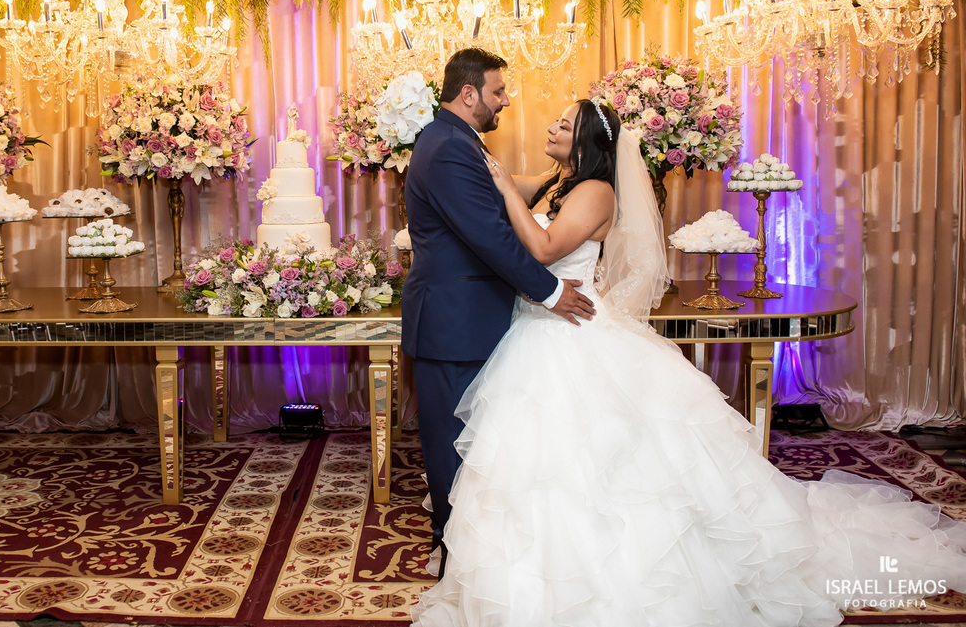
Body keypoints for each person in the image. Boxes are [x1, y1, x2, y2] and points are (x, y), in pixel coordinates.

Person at [410, 98, 966, 626]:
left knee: (592, 458)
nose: (551, 127)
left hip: (570, 328)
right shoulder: (558, 181)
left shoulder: (596, 191)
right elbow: (490, 194)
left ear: (586, 141)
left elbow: (545, 248)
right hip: (535, 329)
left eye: (564, 123)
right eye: (555, 120)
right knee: (527, 461)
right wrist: (473, 172)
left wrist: (506, 190)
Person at [401, 47, 596, 576]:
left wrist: (555, 179)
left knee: (479, 442)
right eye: (498, 91)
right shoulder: (449, 148)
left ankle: (476, 547)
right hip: (453, 323)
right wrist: (550, 292)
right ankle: (456, 554)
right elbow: (488, 236)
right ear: (469, 94)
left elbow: (502, 204)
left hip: (469, 319)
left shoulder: (457, 140)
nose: (505, 101)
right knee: (452, 444)